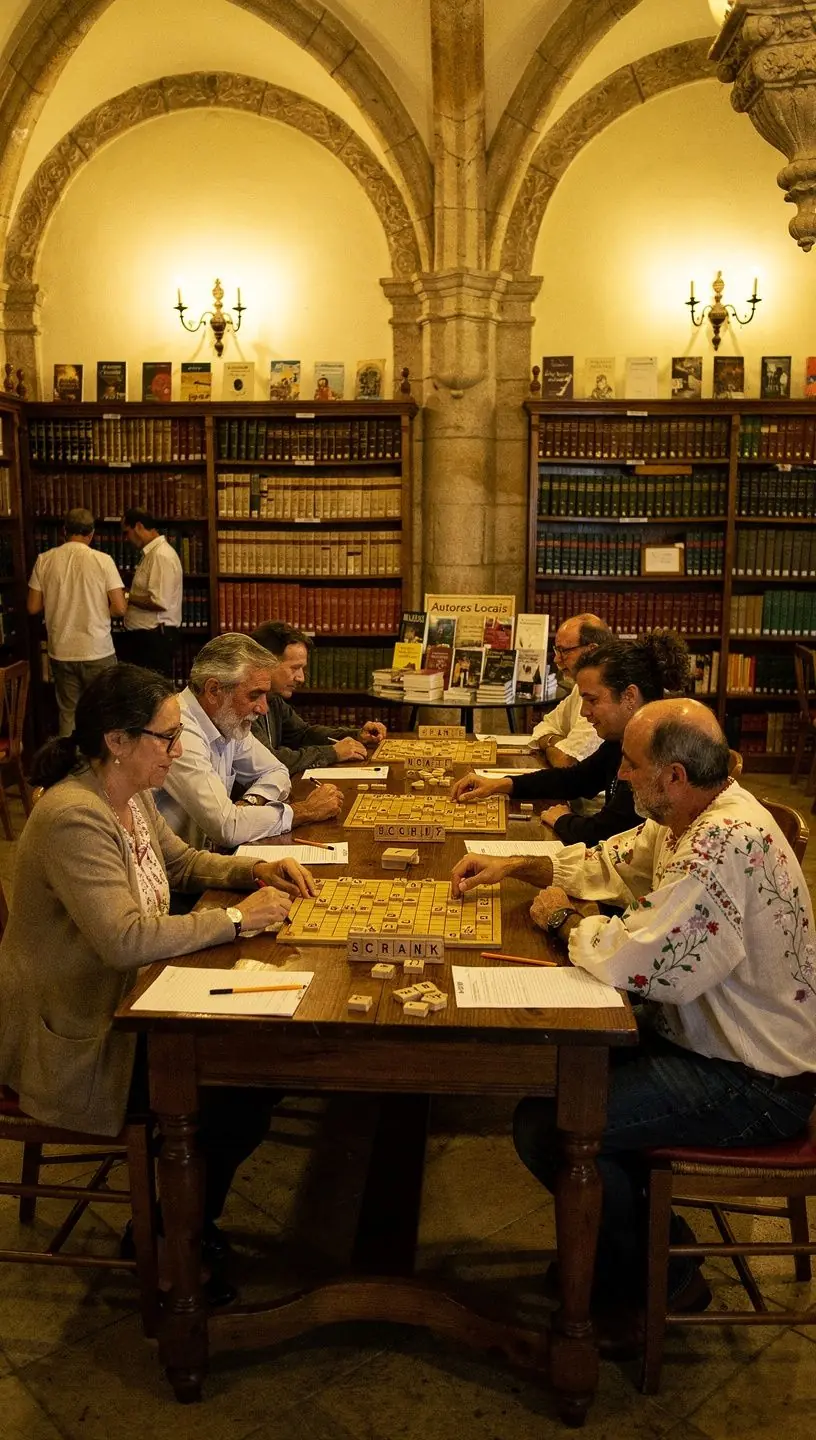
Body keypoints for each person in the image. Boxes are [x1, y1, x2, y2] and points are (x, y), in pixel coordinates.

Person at [450, 699, 816, 1350]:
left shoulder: (722, 840)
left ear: (673, 774)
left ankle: (662, 1279)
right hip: (712, 1042)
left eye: (630, 762)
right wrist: (517, 865)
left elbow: (649, 960)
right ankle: (625, 1251)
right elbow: (612, 862)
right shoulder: (692, 811)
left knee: (556, 1127)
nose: (618, 774)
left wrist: (562, 922)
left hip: (755, 1080)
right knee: (560, 1092)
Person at [0, 663, 316, 1288]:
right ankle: (176, 1237)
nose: (179, 749)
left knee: (258, 1065)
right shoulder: (75, 815)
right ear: (116, 741)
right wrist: (234, 919)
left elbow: (182, 861)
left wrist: (255, 872)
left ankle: (185, 1217)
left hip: (132, 998)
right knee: (239, 1086)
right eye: (167, 737)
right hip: (82, 1033)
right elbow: (124, 939)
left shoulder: (128, 790)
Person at [451, 631, 690, 847]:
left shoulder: (657, 750)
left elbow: (608, 832)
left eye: (592, 700)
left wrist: (563, 820)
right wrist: (503, 784)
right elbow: (576, 779)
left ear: (629, 696)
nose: (584, 711)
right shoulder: (623, 738)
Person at [156, 632, 343, 849]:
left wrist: (250, 802)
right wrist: (307, 810)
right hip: (179, 874)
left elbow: (277, 771)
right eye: (254, 695)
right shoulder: (181, 730)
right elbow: (228, 828)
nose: (263, 709)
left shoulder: (225, 717)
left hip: (205, 859)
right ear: (214, 690)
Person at [27, 508, 126, 736]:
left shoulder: (45, 560)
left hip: (61, 650)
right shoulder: (103, 561)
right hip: (97, 649)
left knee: (68, 713)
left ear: (64, 531)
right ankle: (101, 767)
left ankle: (70, 766)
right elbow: (120, 607)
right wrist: (100, 611)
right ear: (91, 534)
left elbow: (32, 607)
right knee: (105, 712)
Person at [251, 620, 387, 775]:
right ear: (265, 662)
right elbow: (269, 762)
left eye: (303, 669)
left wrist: (356, 736)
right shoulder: (246, 704)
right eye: (295, 668)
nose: (301, 678)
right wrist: (332, 753)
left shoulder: (274, 699)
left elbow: (303, 734)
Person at [531, 613, 612, 768]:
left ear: (592, 651)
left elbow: (567, 762)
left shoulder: (605, 692)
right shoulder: (580, 687)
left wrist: (549, 743)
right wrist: (555, 742)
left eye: (564, 651)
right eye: (557, 650)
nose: (556, 659)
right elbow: (544, 726)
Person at [118, 508, 183, 676]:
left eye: (127, 532)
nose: (126, 539)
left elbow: (159, 601)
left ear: (139, 526)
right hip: (146, 639)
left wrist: (125, 596)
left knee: (151, 696)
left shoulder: (160, 555)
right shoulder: (151, 554)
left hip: (153, 641)